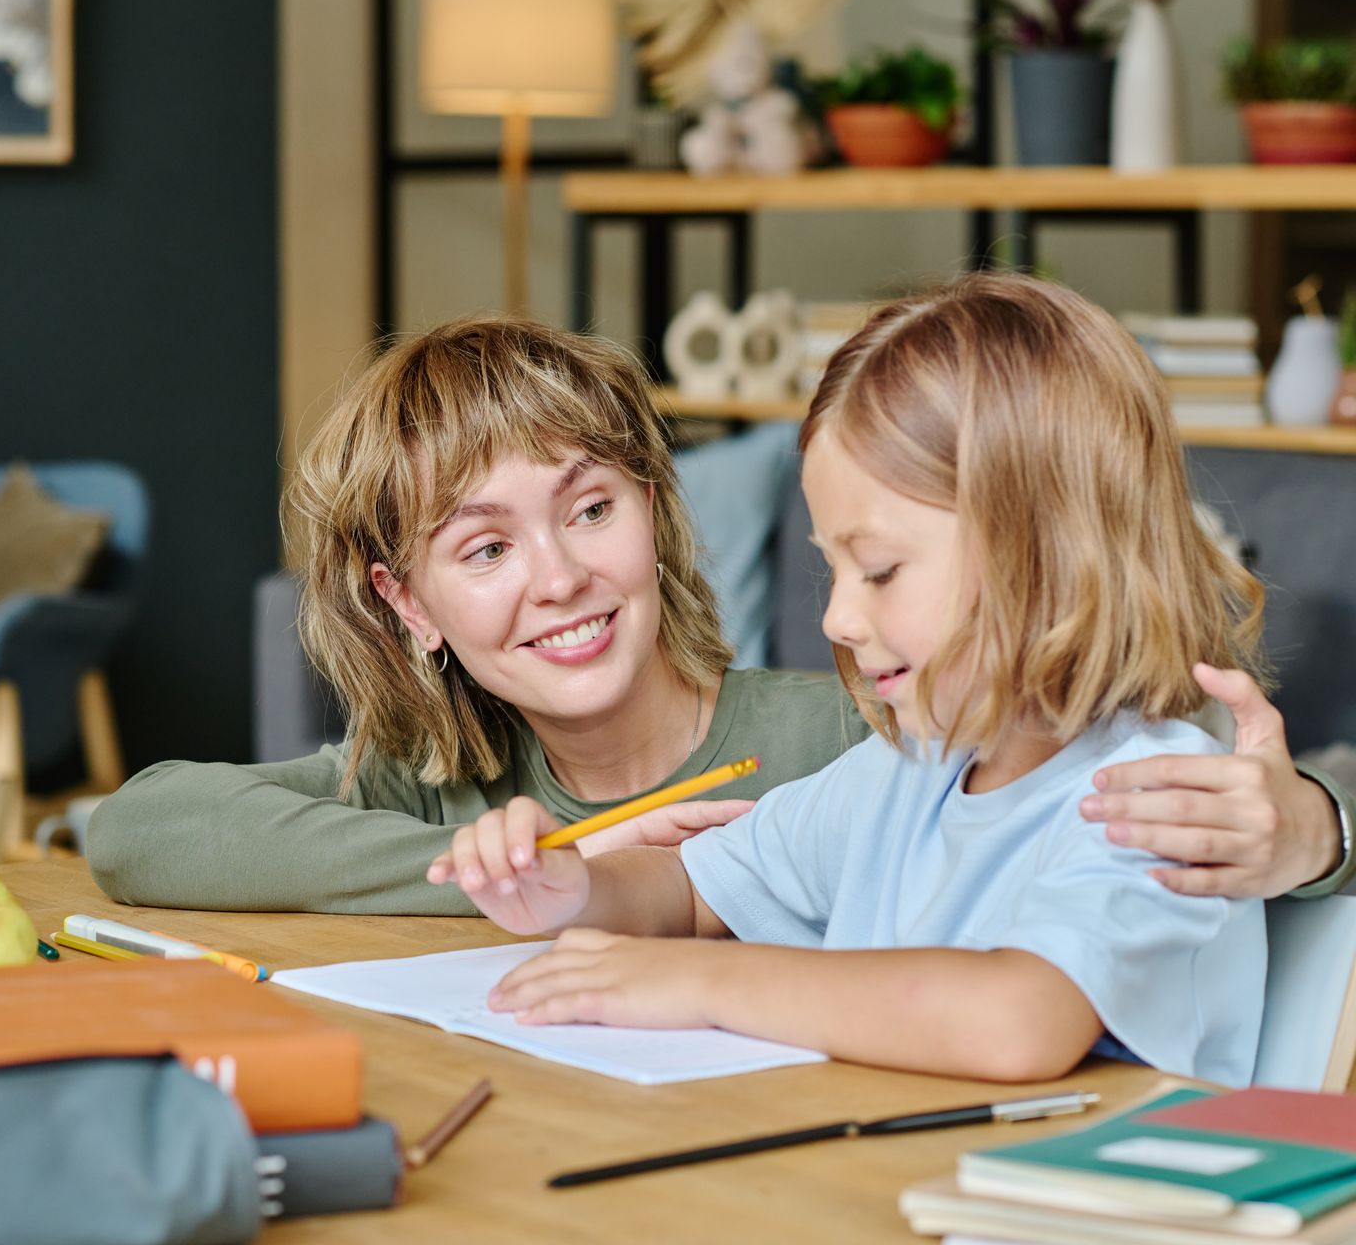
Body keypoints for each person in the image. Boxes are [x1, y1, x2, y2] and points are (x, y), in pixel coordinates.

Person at [85, 310, 1354, 919]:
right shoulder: (438, 787)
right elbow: (145, 827)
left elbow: (1169, 776)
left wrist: (1310, 824)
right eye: (484, 546)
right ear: (406, 602)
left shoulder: (856, 744)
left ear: (656, 510)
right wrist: (548, 876)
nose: (561, 576)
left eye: (590, 510)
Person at [431, 275, 1280, 1084]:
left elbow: (1019, 1018)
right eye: (831, 569)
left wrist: (703, 982)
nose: (837, 619)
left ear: (1052, 556)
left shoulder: (1163, 799)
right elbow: (695, 889)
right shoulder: (907, 769)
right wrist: (572, 886)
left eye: (877, 571)